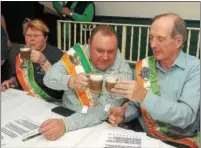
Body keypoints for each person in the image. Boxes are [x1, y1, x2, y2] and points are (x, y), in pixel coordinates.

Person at [108, 13, 200, 148]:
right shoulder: (145, 67)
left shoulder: (195, 68)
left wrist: (144, 96)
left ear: (178, 41)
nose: (153, 45)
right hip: (145, 135)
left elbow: (186, 116)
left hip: (179, 140)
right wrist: (123, 113)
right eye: (151, 38)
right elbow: (137, 105)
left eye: (160, 39)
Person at [39, 25, 133, 140]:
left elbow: (103, 110)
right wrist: (70, 80)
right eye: (99, 50)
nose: (105, 57)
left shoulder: (123, 71)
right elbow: (48, 78)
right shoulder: (77, 55)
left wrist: (65, 124)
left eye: (111, 51)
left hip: (93, 124)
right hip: (65, 112)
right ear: (89, 44)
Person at [1, 19, 64, 101]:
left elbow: (61, 86)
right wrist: (12, 81)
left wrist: (44, 62)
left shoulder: (57, 54)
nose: (31, 39)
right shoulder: (24, 52)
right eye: (28, 35)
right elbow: (20, 76)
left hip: (50, 101)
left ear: (45, 38)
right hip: (26, 98)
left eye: (36, 35)